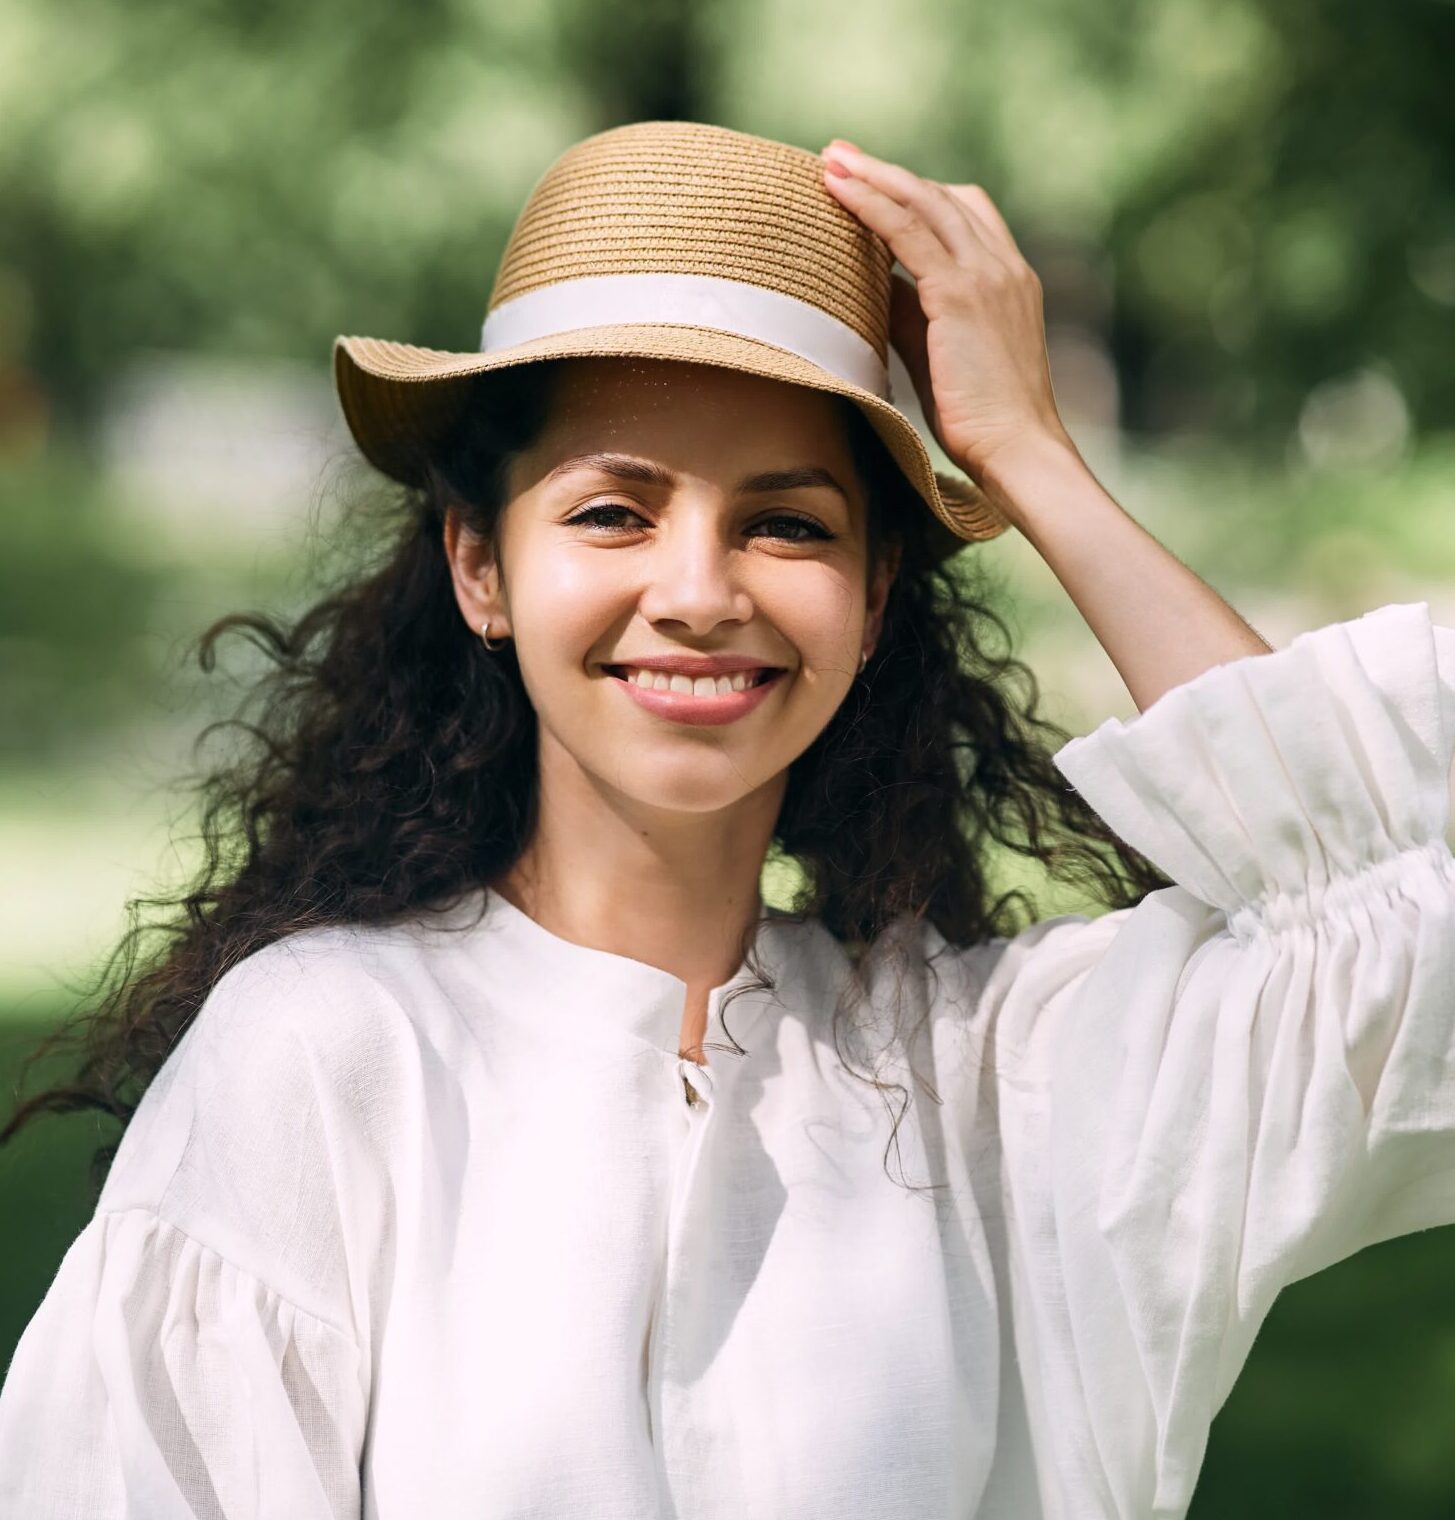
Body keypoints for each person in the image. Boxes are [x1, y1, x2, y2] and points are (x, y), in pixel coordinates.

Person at [0, 120, 1451, 1520]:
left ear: (877, 596)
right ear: (479, 567)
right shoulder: (327, 1053)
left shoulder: (986, 1078)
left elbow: (1403, 939)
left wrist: (1031, 456)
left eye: (789, 522)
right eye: (614, 513)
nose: (699, 591)